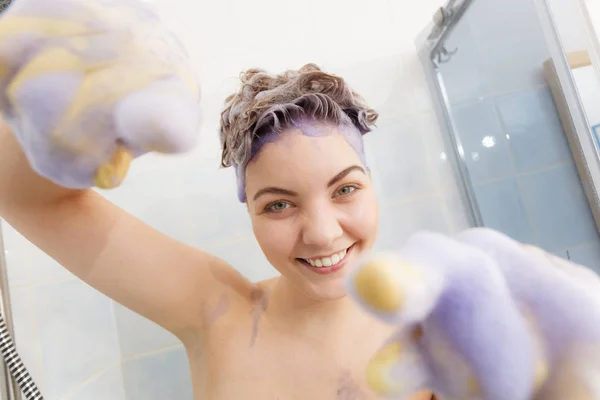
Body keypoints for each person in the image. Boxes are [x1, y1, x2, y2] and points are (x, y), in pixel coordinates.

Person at [0, 61, 433, 399]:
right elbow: (16, 190)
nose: (321, 234)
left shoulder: (438, 331)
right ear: (249, 210)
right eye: (279, 204)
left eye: (345, 189)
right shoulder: (216, 311)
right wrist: (110, 122)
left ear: (372, 186)